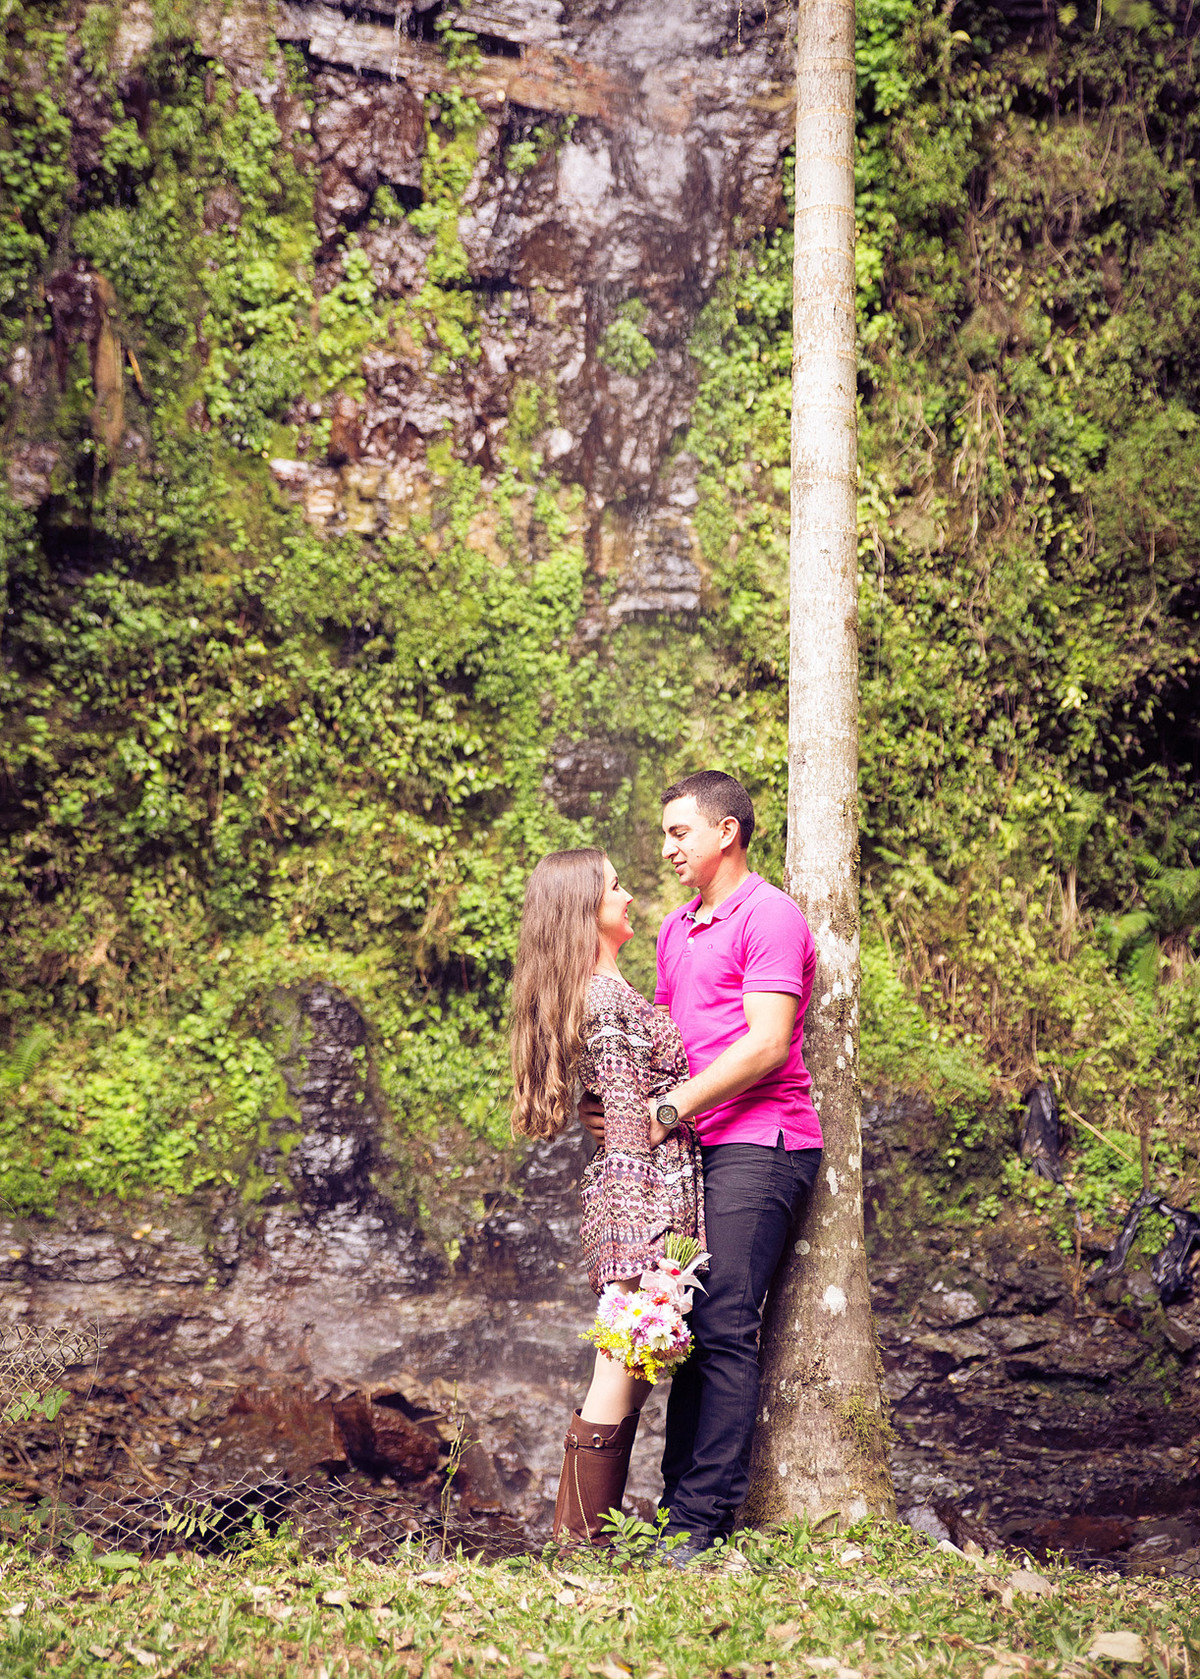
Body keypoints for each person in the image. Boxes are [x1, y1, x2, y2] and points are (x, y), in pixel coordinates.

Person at [580, 770, 822, 1564]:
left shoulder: (771, 914)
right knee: (687, 1328)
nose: (666, 847)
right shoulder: (677, 928)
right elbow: (663, 1047)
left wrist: (665, 1109)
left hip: (761, 1138)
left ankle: (698, 1524)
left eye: (679, 831)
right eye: (664, 833)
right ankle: (675, 1512)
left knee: (723, 1325)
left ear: (727, 831)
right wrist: (620, 1107)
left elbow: (765, 1042)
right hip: (689, 1153)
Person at [510, 847, 705, 1545]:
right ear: (585, 908)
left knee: (628, 1372)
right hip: (640, 1211)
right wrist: (651, 1250)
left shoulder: (602, 992)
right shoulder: (607, 1000)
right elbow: (626, 1133)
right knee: (621, 1375)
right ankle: (580, 1549)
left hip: (636, 1205)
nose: (628, 895)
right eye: (616, 886)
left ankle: (578, 1545)